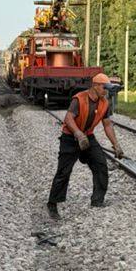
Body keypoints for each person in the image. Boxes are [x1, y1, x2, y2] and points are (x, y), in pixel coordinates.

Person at [47, 73, 123, 216]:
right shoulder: (79, 99)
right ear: (95, 86)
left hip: (88, 136)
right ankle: (52, 203)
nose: (106, 91)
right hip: (70, 138)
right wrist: (78, 134)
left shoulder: (104, 103)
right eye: (104, 88)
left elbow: (107, 125)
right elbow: (68, 119)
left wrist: (116, 145)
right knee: (64, 172)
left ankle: (97, 200)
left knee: (100, 164)